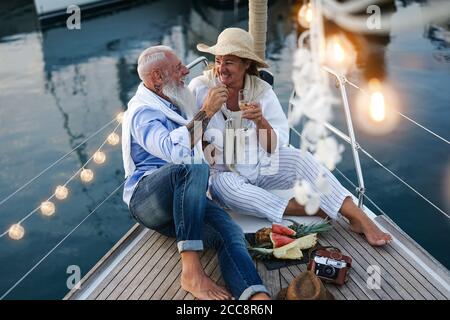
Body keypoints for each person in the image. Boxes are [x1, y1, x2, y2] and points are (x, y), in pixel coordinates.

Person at [188, 28, 392, 247]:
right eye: (218, 61)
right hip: (224, 172)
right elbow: (187, 140)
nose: (221, 69)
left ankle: (359, 218)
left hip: (262, 164)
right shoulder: (200, 88)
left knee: (301, 159)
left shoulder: (262, 92)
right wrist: (206, 111)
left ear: (246, 63)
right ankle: (300, 207)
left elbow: (274, 148)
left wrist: (261, 122)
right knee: (225, 188)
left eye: (229, 62)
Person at [121, 45, 271, 300]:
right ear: (157, 77)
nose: (185, 72)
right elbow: (173, 151)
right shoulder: (142, 113)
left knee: (230, 232)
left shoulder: (173, 100)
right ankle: (191, 271)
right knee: (191, 166)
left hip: (180, 205)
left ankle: (255, 295)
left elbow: (194, 144)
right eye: (179, 67)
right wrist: (208, 110)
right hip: (147, 201)